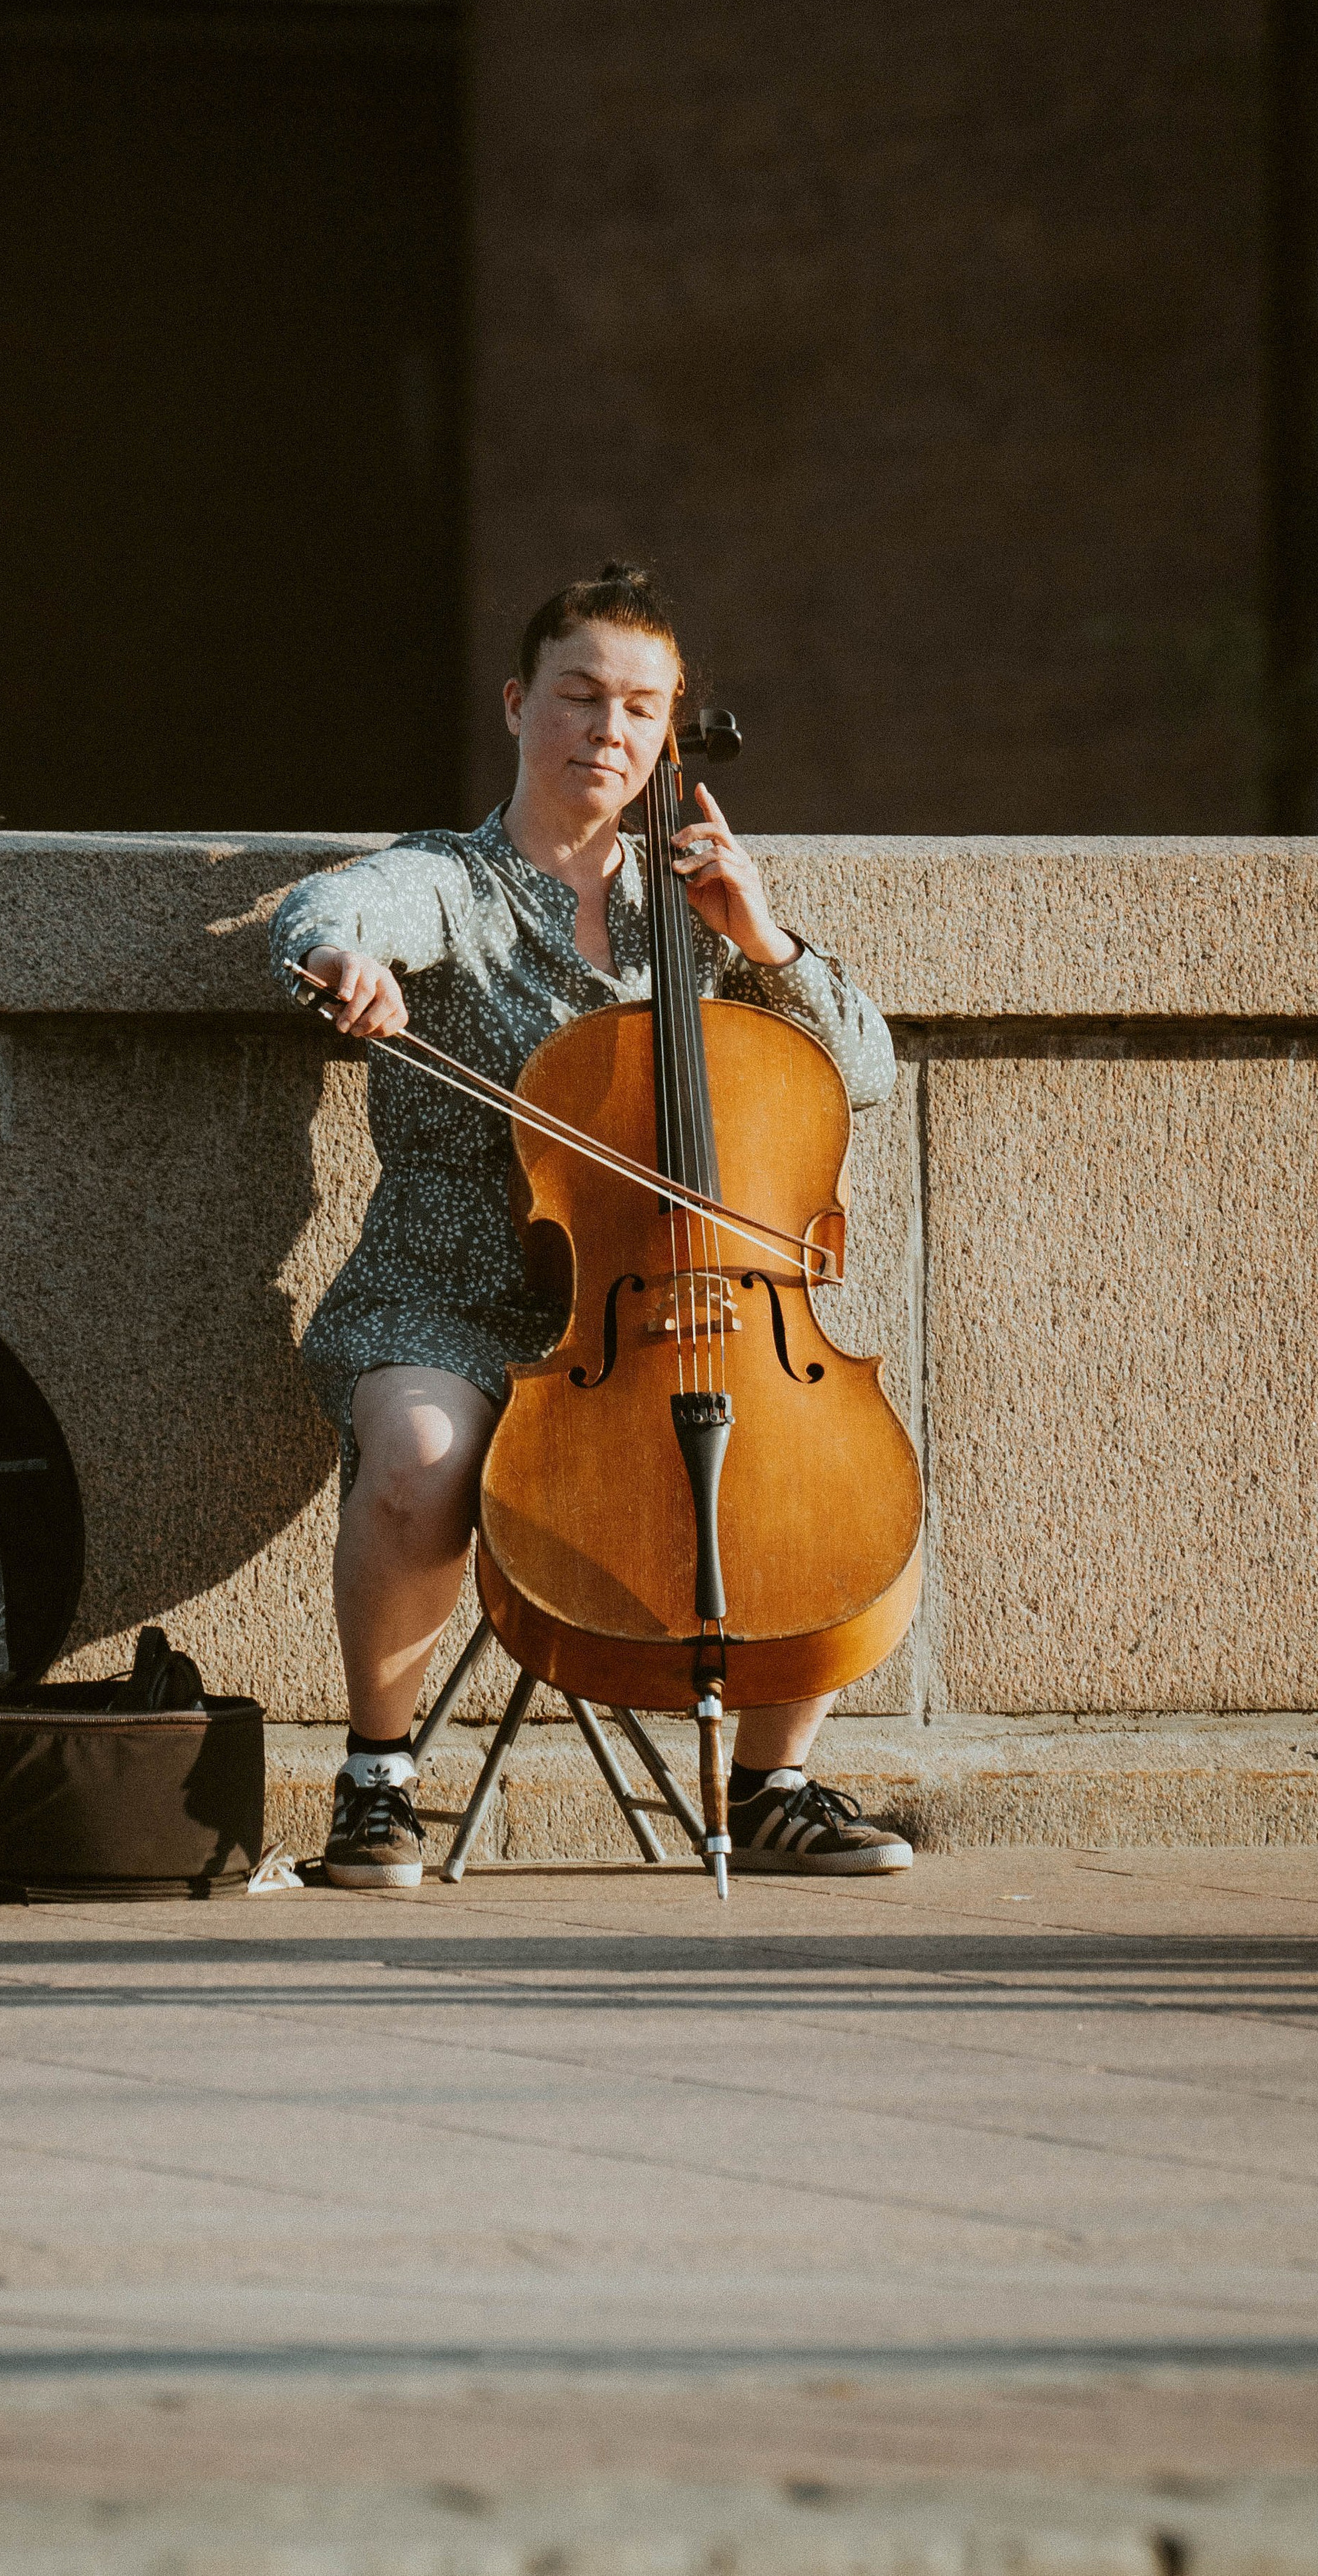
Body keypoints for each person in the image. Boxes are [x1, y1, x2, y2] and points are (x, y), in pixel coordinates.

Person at [271, 562, 915, 1890]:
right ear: (518, 706)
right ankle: (378, 1782)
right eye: (577, 698)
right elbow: (335, 911)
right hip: (447, 1292)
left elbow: (861, 1072)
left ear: (669, 731)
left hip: (685, 1303)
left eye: (639, 708)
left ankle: (773, 1780)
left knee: (835, 1479)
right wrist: (344, 959)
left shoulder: (691, 905)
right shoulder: (453, 884)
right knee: (416, 1457)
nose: (605, 733)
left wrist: (764, 936)